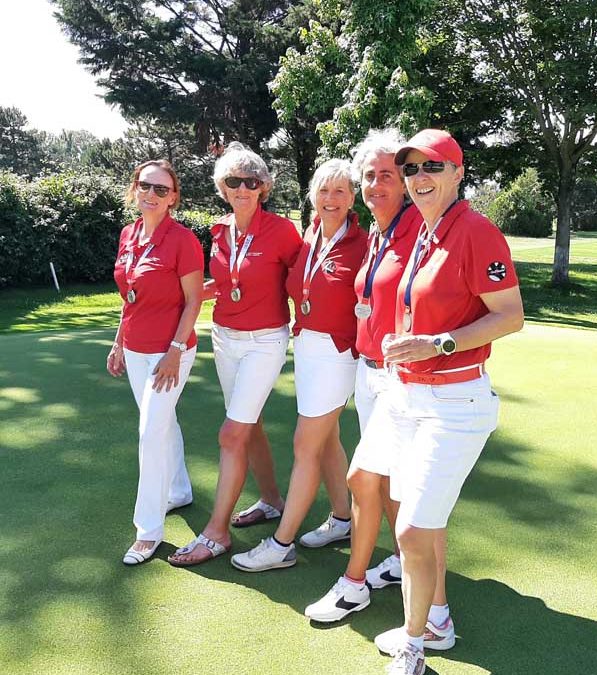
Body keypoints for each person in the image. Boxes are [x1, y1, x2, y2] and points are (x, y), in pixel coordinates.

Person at [374, 129, 524, 674]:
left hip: (456, 403)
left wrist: (436, 343)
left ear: (458, 173)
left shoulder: (476, 231)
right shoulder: (423, 230)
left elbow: (510, 315)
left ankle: (414, 645)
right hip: (408, 396)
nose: (420, 178)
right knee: (423, 522)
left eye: (432, 167)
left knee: (411, 528)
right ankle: (436, 617)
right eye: (411, 169)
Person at [305, 129, 434, 622]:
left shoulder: (420, 229)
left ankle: (353, 583)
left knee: (365, 478)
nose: (378, 184)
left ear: (404, 182)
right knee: (381, 481)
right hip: (369, 370)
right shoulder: (379, 232)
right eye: (370, 176)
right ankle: (401, 561)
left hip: (401, 378)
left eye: (388, 174)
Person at [230, 158, 368, 572]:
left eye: (340, 191)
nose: (331, 198)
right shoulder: (307, 237)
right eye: (324, 190)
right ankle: (343, 519)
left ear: (351, 198)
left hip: (338, 354)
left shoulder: (364, 242)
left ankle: (281, 543)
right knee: (326, 441)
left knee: (304, 444)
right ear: (312, 195)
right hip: (307, 349)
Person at [168, 143, 302, 566]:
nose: (242, 188)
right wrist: (201, 292)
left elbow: (303, 282)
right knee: (251, 425)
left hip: (265, 339)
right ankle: (271, 499)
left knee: (231, 433)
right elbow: (226, 280)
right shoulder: (217, 229)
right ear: (221, 188)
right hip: (225, 336)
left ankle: (217, 532)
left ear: (264, 187)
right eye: (233, 181)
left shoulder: (283, 231)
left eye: (251, 181)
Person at [108, 159, 204, 565]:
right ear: (135, 189)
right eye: (145, 186)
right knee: (163, 424)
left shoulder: (183, 241)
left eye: (161, 190)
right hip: (136, 348)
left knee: (150, 432)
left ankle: (147, 532)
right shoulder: (128, 234)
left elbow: (194, 300)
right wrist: (118, 343)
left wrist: (175, 351)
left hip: (172, 352)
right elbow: (128, 298)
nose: (151, 194)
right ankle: (179, 490)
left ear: (173, 199)